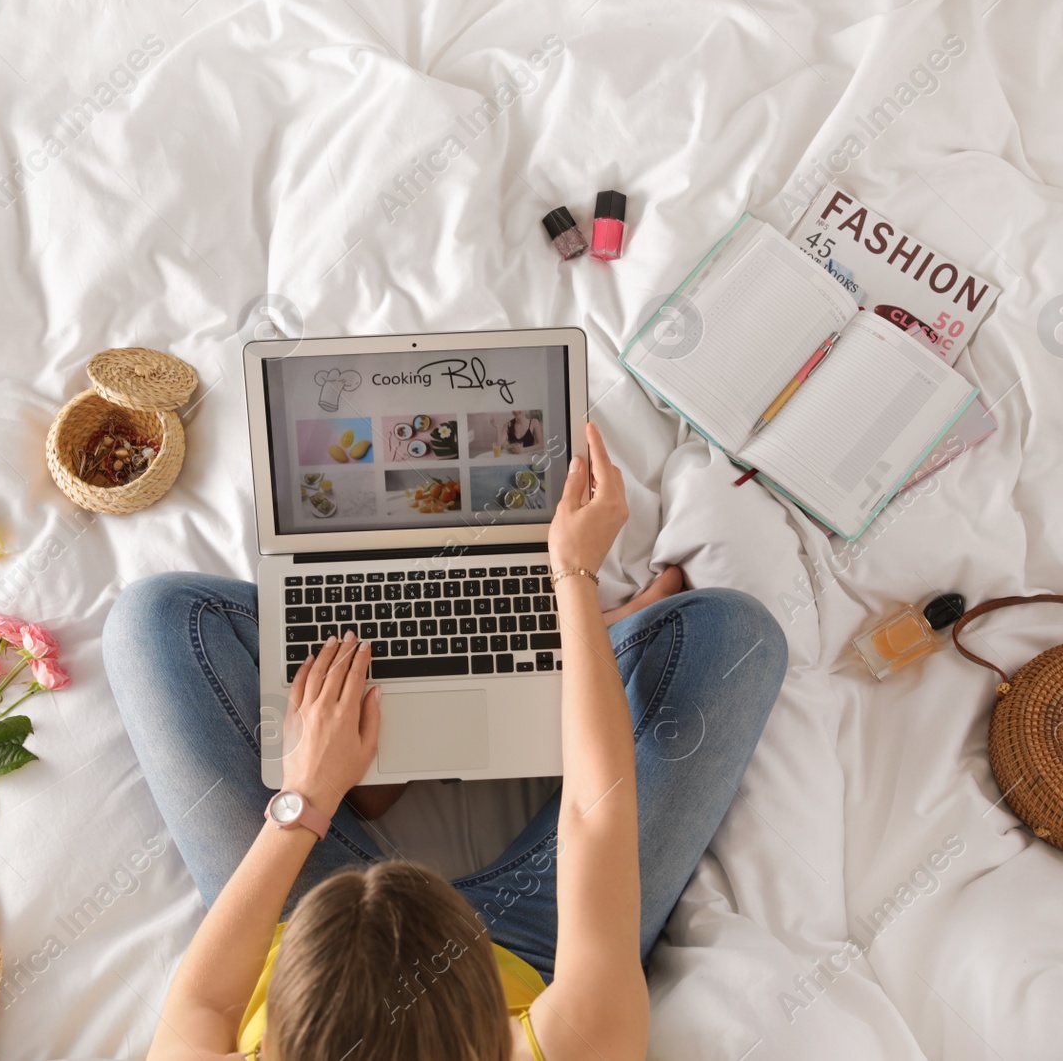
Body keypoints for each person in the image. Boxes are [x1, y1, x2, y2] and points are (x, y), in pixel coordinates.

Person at [105, 422, 787, 1061]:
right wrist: (572, 579)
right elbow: (593, 811)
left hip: (334, 942)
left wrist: (309, 793)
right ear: (496, 1034)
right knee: (736, 638)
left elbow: (204, 996)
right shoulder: (580, 1036)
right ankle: (560, 660)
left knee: (155, 621)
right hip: (531, 949)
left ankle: (402, 730)